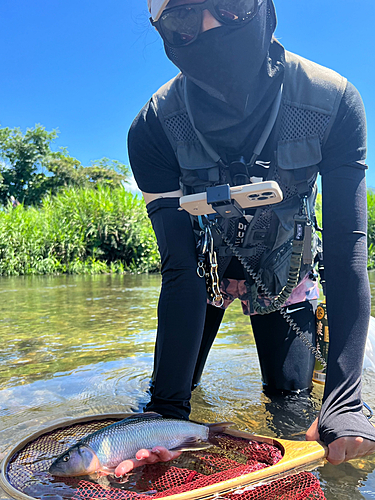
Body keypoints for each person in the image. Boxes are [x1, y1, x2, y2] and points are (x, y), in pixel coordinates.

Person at [116, 0, 375, 475]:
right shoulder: (152, 129)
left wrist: (346, 395)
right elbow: (179, 271)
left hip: (285, 279)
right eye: (183, 18)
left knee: (291, 404)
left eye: (230, 3)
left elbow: (346, 255)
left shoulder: (332, 101)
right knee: (170, 399)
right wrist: (167, 413)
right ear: (163, 31)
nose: (210, 25)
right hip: (202, 276)